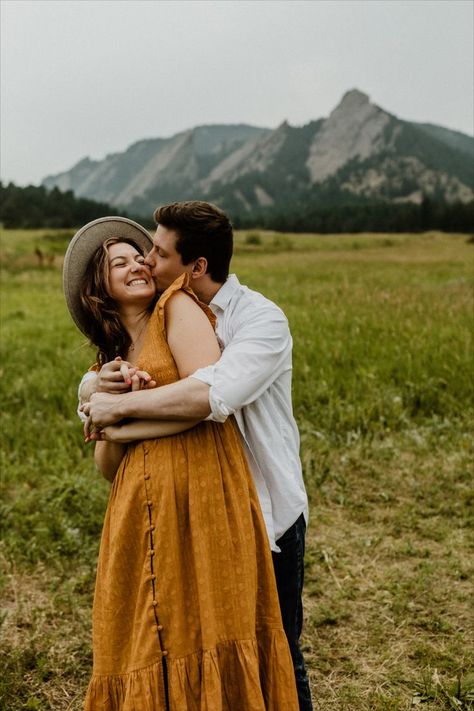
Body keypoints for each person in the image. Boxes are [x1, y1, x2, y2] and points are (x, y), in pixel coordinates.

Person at [80, 203, 313, 710]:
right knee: (183, 642)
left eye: (156, 253)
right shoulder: (144, 326)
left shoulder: (260, 320)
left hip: (264, 506)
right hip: (176, 515)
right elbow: (108, 446)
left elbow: (207, 398)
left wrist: (113, 410)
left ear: (196, 267)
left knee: (273, 648)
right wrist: (97, 392)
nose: (145, 260)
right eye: (128, 259)